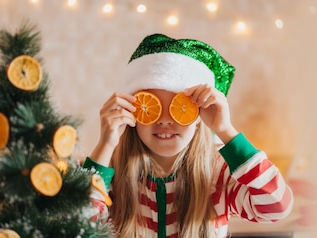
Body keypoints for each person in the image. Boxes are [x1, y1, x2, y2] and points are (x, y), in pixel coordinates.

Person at [82, 33, 294, 238]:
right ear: (133, 113)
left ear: (199, 116)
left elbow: (277, 206)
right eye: (151, 107)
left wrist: (226, 131)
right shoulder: (113, 174)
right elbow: (78, 225)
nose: (164, 120)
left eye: (179, 108)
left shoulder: (219, 173)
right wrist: (106, 144)